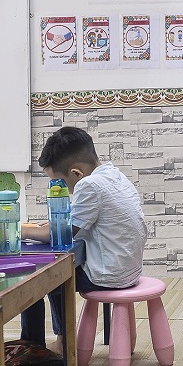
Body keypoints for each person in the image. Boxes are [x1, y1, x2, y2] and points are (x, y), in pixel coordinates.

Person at [19, 126, 146, 353]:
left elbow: (62, 234)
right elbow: (85, 219)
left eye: (61, 183)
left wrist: (22, 231)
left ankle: (40, 347)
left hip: (108, 275)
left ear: (76, 173)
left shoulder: (89, 185)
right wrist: (55, 224)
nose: (63, 190)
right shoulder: (113, 174)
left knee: (41, 277)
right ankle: (53, 341)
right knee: (55, 270)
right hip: (129, 268)